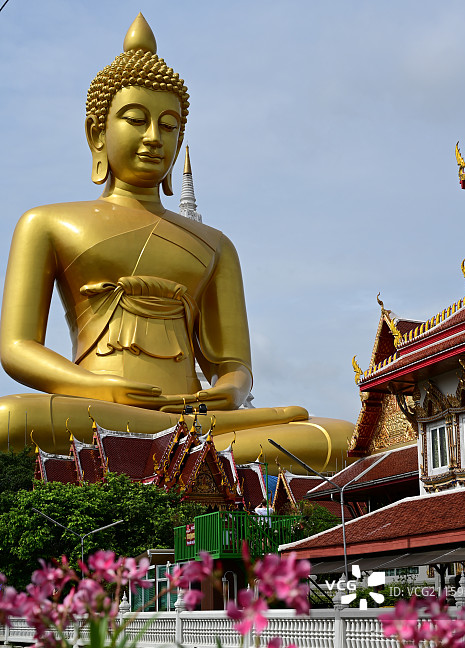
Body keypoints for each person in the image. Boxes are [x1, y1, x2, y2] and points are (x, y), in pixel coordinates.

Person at [0, 14, 353, 472]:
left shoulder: (215, 244)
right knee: (9, 418)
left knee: (335, 436)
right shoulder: (47, 223)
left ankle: (176, 454)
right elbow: (16, 348)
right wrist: (100, 389)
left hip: (194, 418)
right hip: (98, 410)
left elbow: (234, 366)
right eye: (135, 120)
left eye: (169, 126)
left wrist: (225, 393)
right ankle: (181, 457)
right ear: (97, 133)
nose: (153, 138)